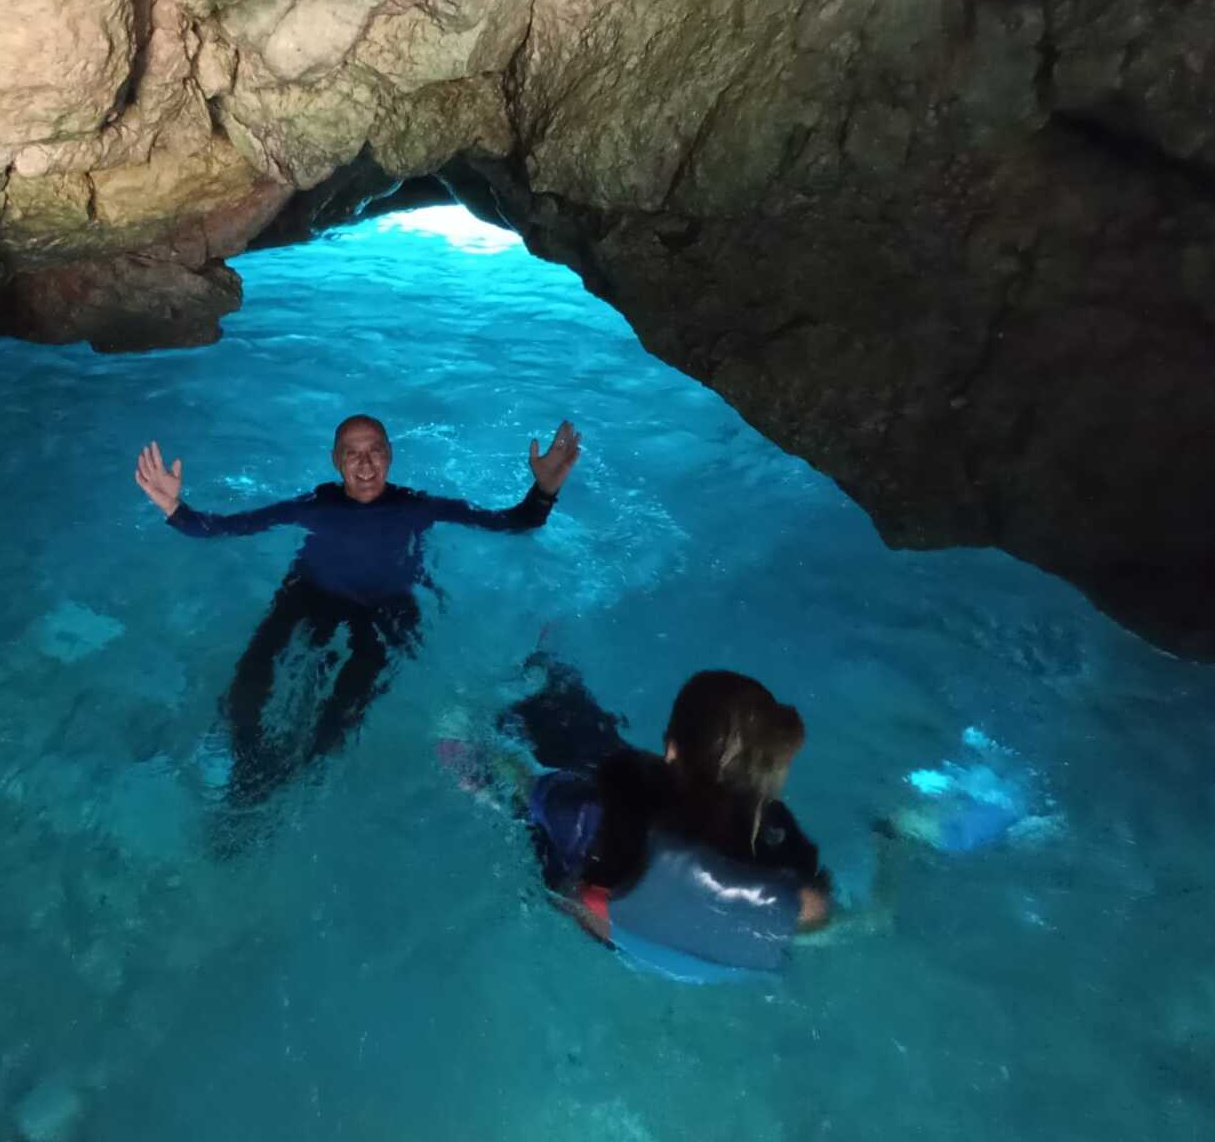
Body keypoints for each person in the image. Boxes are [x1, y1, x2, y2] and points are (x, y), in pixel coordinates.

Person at [134, 415, 582, 803]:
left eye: (374, 452)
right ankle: (245, 754)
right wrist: (175, 508)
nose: (365, 464)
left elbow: (510, 523)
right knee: (257, 664)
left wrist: (543, 491)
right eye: (352, 453)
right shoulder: (314, 506)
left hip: (386, 606)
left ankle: (300, 771)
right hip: (311, 592)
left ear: (390, 456)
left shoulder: (418, 507)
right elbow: (223, 528)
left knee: (352, 695)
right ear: (335, 460)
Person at [445, 654, 834, 980]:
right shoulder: (791, 876)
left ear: (672, 751)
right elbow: (854, 923)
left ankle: (540, 673)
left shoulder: (592, 817)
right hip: (670, 959)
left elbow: (523, 780)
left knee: (529, 778)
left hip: (602, 915)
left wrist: (463, 734)